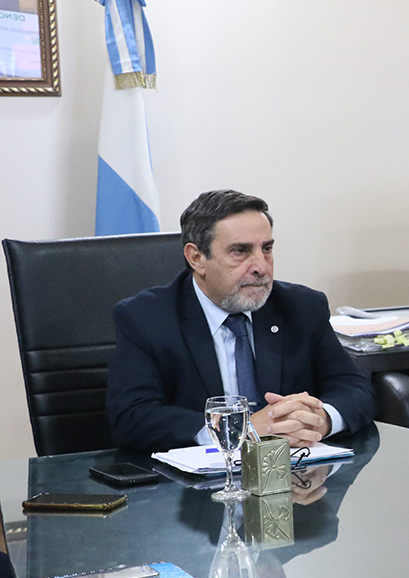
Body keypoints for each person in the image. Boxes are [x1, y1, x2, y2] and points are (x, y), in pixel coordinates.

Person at [107, 189, 375, 451]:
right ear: (197, 258)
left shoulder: (302, 307)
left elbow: (354, 387)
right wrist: (236, 428)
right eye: (240, 251)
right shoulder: (146, 317)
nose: (261, 266)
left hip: (295, 468)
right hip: (199, 475)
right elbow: (131, 416)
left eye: (266, 248)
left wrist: (320, 420)